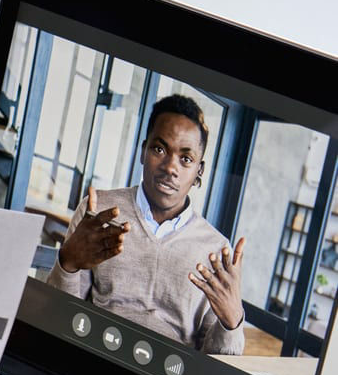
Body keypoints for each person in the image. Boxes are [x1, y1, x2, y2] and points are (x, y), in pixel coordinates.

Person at [47, 95, 246, 355]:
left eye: (186, 159)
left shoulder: (216, 250)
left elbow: (216, 366)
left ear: (199, 171)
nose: (170, 167)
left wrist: (232, 322)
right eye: (159, 149)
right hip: (93, 356)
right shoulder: (97, 212)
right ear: (143, 151)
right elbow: (58, 316)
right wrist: (68, 263)